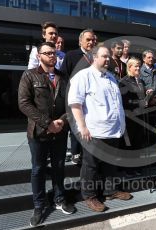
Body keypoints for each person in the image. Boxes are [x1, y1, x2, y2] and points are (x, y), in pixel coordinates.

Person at [68, 46, 132, 213]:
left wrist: (121, 126)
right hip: (94, 131)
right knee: (91, 166)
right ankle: (89, 195)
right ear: (94, 57)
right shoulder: (83, 76)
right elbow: (75, 104)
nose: (107, 60)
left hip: (114, 130)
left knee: (111, 163)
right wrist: (82, 127)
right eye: (104, 56)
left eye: (109, 57)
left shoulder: (111, 77)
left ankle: (110, 191)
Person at [18, 42, 75, 226]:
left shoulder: (64, 78)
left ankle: (59, 199)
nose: (52, 55)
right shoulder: (29, 75)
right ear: (39, 55)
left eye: (54, 53)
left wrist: (62, 121)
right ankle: (39, 206)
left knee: (59, 167)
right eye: (47, 53)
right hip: (38, 132)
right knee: (38, 169)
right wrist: (48, 123)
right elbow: (24, 103)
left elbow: (72, 103)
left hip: (59, 131)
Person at [60, 29, 96, 165]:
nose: (91, 42)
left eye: (93, 39)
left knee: (90, 126)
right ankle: (76, 153)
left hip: (93, 100)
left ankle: (89, 152)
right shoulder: (71, 55)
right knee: (77, 125)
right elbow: (64, 77)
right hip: (76, 99)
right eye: (88, 39)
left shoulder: (96, 57)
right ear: (80, 41)